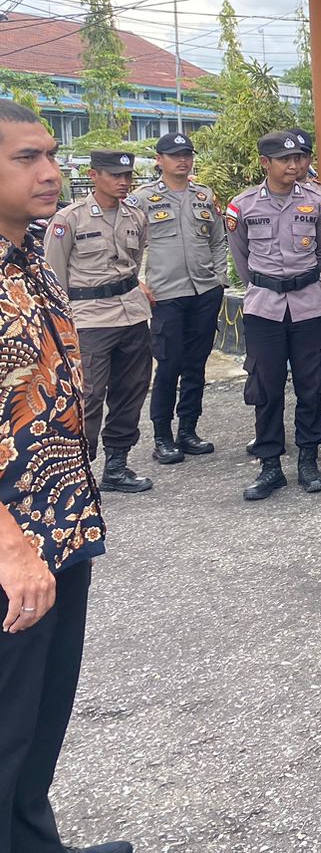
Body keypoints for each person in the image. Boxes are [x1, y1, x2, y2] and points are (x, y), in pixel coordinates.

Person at [0, 102, 134, 853]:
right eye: (26, 157)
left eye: (51, 155)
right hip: (12, 547)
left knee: (39, 722)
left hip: (61, 526)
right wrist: (12, 547)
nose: (49, 172)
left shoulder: (29, 262)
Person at [227, 131, 321, 501]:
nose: (294, 166)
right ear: (265, 164)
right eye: (284, 160)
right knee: (266, 387)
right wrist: (266, 284)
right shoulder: (242, 206)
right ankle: (270, 464)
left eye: (299, 159)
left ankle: (309, 459)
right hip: (263, 307)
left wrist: (301, 282)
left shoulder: (320, 201)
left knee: (311, 384)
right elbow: (241, 259)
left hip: (308, 304)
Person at [44, 150, 154, 495]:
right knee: (87, 396)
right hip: (89, 319)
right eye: (115, 176)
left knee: (131, 391)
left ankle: (117, 464)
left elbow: (135, 263)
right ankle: (78, 469)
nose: (123, 182)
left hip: (132, 313)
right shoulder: (69, 219)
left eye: (127, 176)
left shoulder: (135, 215)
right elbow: (53, 275)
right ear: (93, 175)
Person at [130, 132, 227, 466]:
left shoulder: (204, 195)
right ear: (160, 160)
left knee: (195, 366)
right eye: (174, 155)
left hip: (204, 291)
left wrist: (219, 279)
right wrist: (138, 281)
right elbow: (129, 244)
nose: (182, 161)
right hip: (165, 294)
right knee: (169, 365)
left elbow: (218, 240)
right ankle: (162, 436)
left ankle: (188, 430)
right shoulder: (142, 199)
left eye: (187, 155)